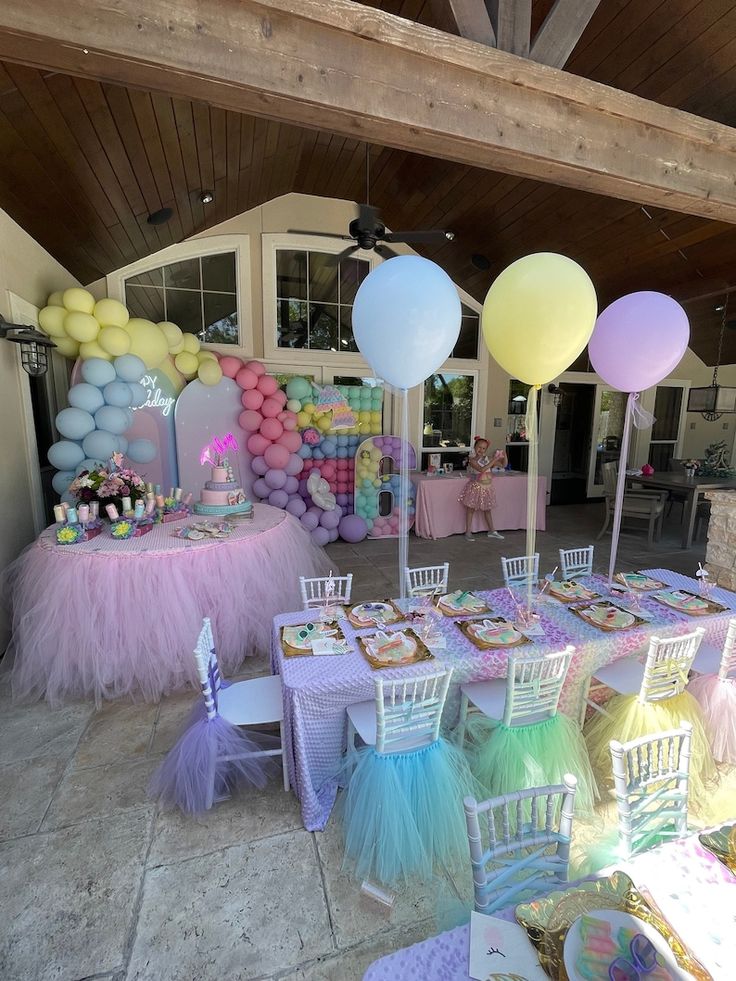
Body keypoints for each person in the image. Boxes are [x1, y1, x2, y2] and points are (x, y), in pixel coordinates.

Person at [458, 437, 506, 541]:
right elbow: (482, 469)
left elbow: (503, 465)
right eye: (479, 447)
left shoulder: (487, 459)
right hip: (476, 487)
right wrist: (494, 459)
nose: (481, 450)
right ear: (475, 447)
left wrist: (504, 456)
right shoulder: (472, 460)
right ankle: (468, 532)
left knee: (487, 509)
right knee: (471, 509)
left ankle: (492, 531)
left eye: (484, 448)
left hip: (487, 488)